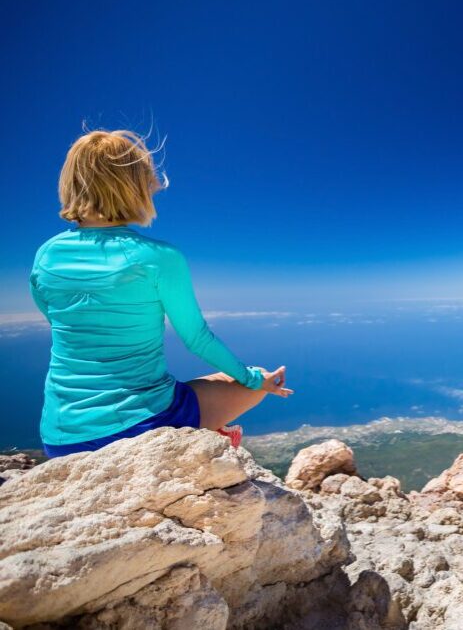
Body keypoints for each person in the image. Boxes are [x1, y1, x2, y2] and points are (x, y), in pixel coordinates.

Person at [29, 128, 293, 458]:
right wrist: (256, 380)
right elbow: (198, 339)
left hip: (60, 440)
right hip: (141, 427)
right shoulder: (158, 258)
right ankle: (210, 441)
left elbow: (55, 316)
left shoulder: (46, 255)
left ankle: (208, 434)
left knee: (207, 385)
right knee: (249, 383)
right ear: (136, 186)